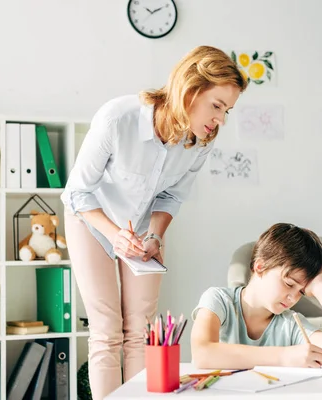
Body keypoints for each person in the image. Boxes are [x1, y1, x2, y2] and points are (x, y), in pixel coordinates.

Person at [61, 45, 248, 399]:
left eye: (228, 110)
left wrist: (156, 237)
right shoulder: (118, 118)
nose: (221, 119)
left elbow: (171, 196)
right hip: (91, 221)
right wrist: (115, 234)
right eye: (217, 106)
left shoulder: (202, 140)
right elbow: (77, 193)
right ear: (191, 90)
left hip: (143, 229)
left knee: (141, 329)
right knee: (106, 330)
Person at [190, 223, 322, 369]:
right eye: (289, 284)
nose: (293, 298)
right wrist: (284, 356)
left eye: (301, 292)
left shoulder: (291, 325)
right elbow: (202, 354)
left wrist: (321, 287)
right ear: (260, 267)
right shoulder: (219, 300)